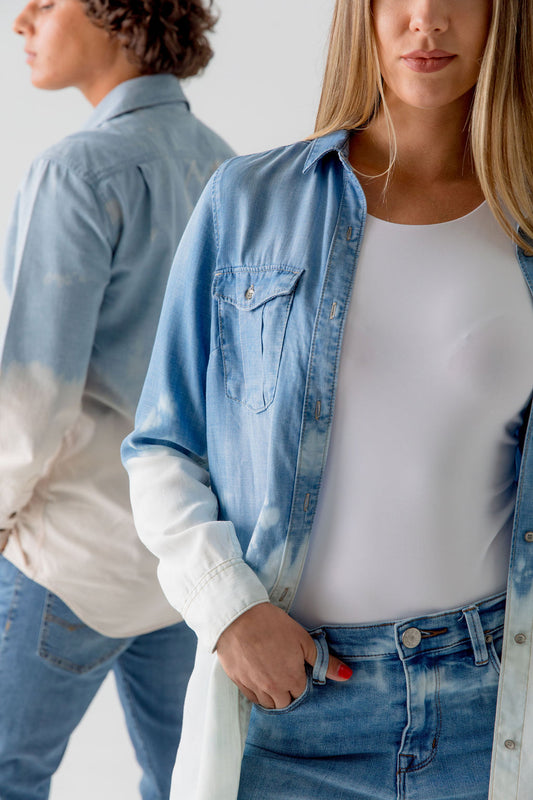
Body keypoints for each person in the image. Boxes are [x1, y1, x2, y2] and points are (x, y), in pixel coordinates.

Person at [122, 0, 533, 798]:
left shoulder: (521, 224)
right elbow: (163, 445)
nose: (428, 21)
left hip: (489, 708)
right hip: (291, 705)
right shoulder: (248, 202)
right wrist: (228, 611)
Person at [0, 1, 233, 797]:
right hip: (179, 562)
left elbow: (33, 397)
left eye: (43, 3)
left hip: (70, 556)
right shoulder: (225, 169)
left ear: (115, 14)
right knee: (187, 779)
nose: (20, 23)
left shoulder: (75, 171)